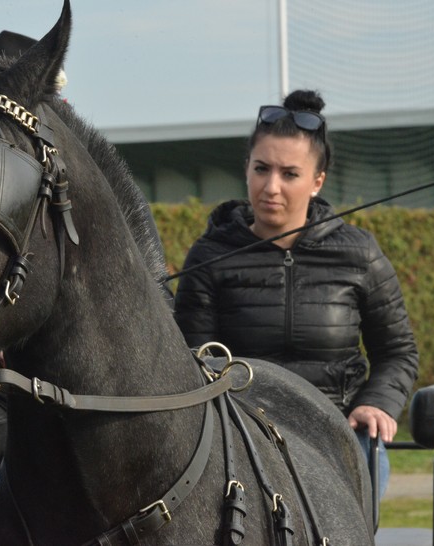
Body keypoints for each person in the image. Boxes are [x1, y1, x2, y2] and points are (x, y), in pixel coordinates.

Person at [173, 89, 419, 498]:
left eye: (289, 174)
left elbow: (398, 352)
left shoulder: (359, 253)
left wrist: (376, 404)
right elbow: (195, 359)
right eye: (261, 169)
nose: (271, 187)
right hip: (239, 433)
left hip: (339, 434)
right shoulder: (209, 254)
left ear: (317, 181)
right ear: (246, 168)